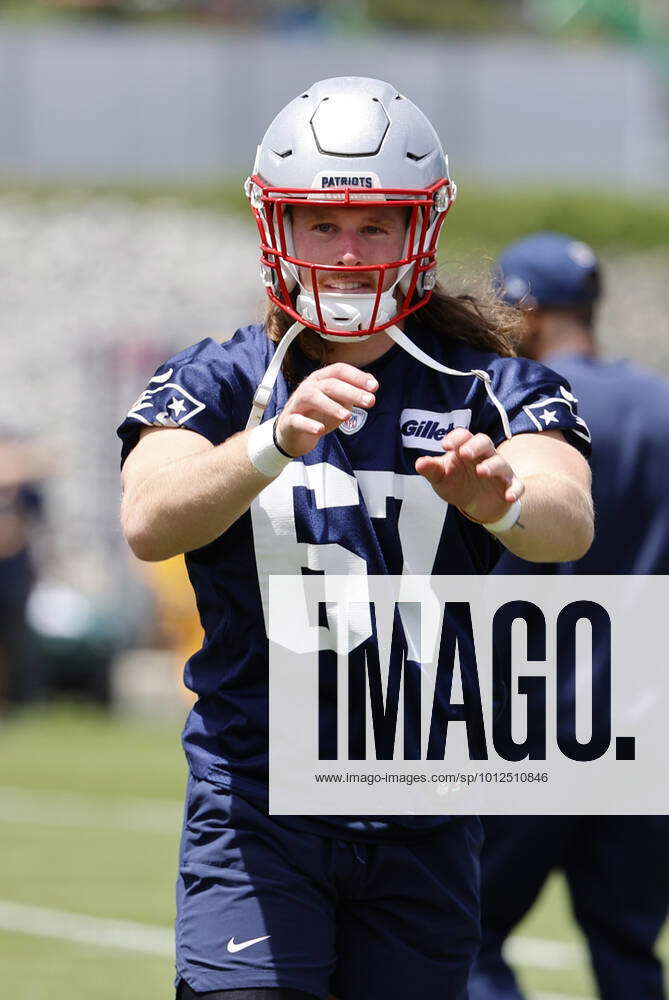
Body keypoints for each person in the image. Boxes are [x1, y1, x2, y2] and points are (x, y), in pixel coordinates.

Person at [118, 79, 593, 1000]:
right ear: (276, 228)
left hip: (421, 805)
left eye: (375, 225)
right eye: (321, 224)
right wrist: (270, 444)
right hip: (257, 803)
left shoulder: (489, 386)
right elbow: (148, 519)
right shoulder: (222, 378)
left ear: (420, 231)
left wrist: (494, 499)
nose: (347, 252)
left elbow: (565, 518)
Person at [469, 231, 669, 1000]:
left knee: (472, 935)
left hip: (524, 715)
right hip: (645, 722)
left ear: (524, 309)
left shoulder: (512, 408)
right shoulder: (659, 404)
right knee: (626, 949)